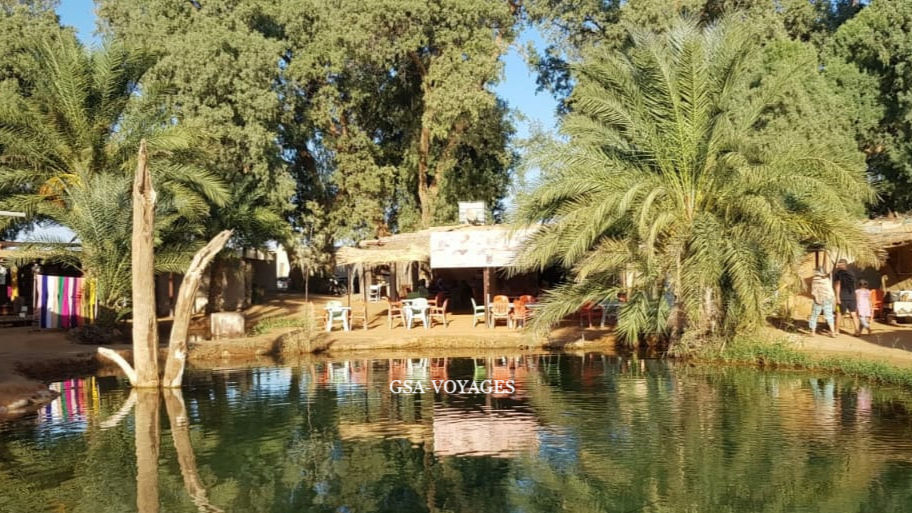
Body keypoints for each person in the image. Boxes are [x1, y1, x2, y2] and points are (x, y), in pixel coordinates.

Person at [833, 259, 860, 335]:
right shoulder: (851, 273)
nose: (838, 265)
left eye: (839, 264)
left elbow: (837, 285)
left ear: (844, 264)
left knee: (839, 314)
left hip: (842, 297)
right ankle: (857, 331)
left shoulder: (838, 274)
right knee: (853, 314)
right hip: (852, 297)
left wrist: (837, 296)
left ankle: (837, 331)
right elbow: (854, 285)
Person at [809, 267, 836, 337]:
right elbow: (830, 291)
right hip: (827, 299)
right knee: (829, 316)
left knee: (814, 316)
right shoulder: (826, 280)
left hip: (818, 300)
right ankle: (833, 332)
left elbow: (813, 291)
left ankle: (812, 332)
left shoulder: (814, 280)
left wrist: (816, 298)